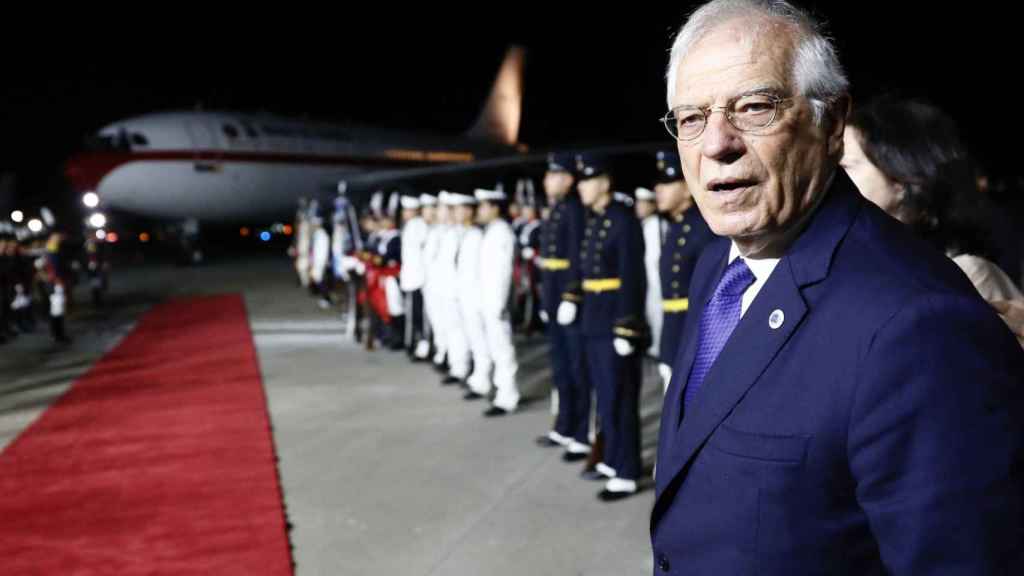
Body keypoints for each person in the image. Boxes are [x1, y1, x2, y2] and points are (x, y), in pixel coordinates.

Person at [651, 1, 1024, 573]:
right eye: (692, 118)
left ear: (831, 124)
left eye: (753, 107)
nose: (715, 144)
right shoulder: (717, 267)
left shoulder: (918, 325)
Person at [842, 94, 1022, 302]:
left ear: (901, 178)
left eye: (846, 166)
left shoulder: (967, 276)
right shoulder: (858, 265)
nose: (831, 177)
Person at [572, 152, 646, 501]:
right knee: (605, 395)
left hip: (612, 320)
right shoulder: (596, 220)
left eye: (587, 180)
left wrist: (627, 325)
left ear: (603, 183)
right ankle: (613, 458)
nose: (581, 187)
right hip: (594, 319)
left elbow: (633, 277)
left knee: (620, 397)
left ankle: (627, 470)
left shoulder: (622, 221)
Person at [535, 153, 593, 465]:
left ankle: (582, 434)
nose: (548, 181)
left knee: (576, 367)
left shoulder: (573, 211)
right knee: (559, 365)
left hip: (569, 299)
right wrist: (548, 300)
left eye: (554, 175)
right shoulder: (556, 210)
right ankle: (564, 425)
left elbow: (576, 257)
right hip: (553, 295)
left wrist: (571, 296)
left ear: (569, 179)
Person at [653, 150, 716, 392]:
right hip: (673, 329)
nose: (659, 189)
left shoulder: (703, 227)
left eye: (668, 183)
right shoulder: (676, 226)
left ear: (688, 187)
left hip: (695, 333)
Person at [465, 187, 521, 416]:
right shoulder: (491, 231)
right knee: (494, 346)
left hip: (496, 302)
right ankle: (497, 389)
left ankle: (507, 396)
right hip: (487, 300)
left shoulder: (502, 233)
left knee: (502, 349)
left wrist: (499, 304)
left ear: (495, 208)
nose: (479, 210)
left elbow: (503, 273)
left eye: (484, 206)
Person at [399, 191, 430, 359]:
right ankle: (414, 343)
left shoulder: (417, 226)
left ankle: (418, 345)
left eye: (407, 210)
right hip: (411, 277)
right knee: (413, 314)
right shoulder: (411, 226)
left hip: (418, 278)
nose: (404, 213)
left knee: (418, 316)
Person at [636, 186, 663, 358]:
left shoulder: (654, 225)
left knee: (656, 311)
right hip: (648, 276)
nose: (638, 206)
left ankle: (658, 346)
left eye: (643, 203)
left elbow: (654, 257)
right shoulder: (645, 224)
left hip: (655, 278)